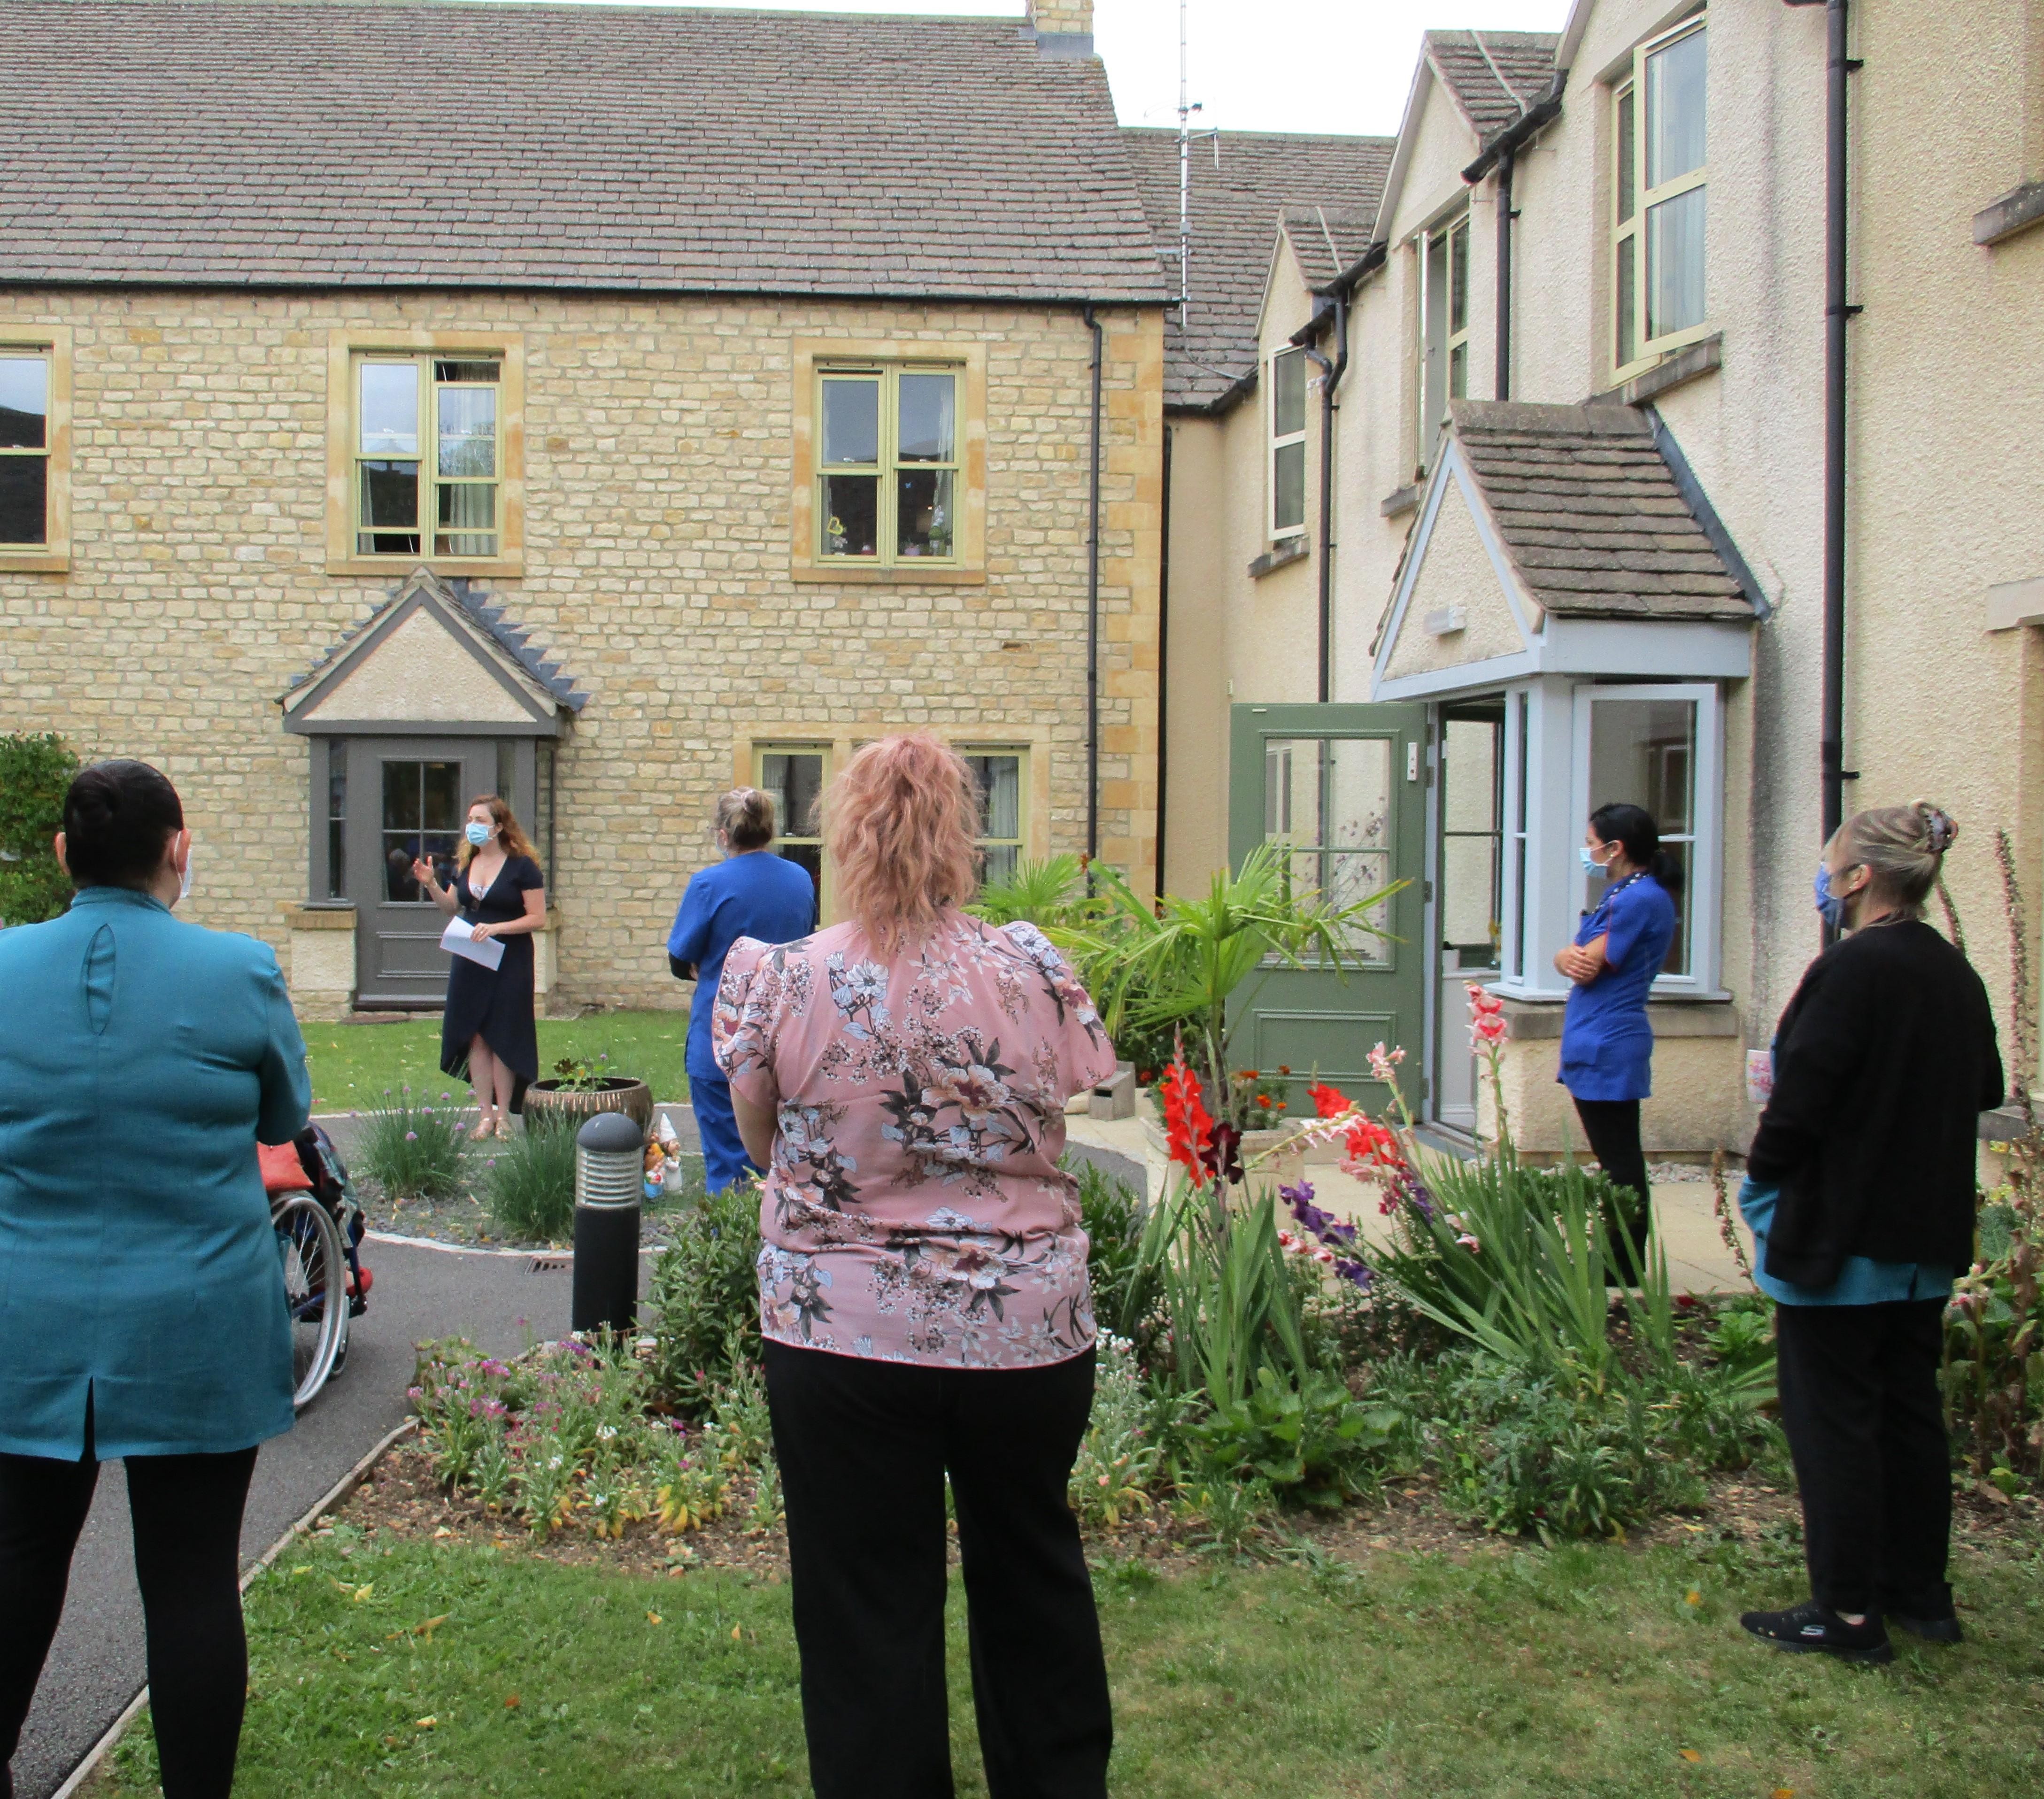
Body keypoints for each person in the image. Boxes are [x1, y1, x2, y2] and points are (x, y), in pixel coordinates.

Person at [713, 733, 1118, 1799]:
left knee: (864, 1617)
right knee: (1031, 1578)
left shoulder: (790, 977)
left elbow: (760, 1145)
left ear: (846, 836)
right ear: (960, 836)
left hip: (841, 1338)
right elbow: (1055, 1120)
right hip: (1024, 1336)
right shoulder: (1031, 969)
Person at [0, 761, 312, 1799]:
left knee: (17, 1565)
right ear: (178, 850)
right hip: (192, 1315)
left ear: (60, 856)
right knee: (188, 1584)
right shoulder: (238, 971)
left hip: (25, 1317)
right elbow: (280, 1120)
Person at [1736, 802, 2001, 1664]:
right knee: (1907, 1414)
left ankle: (1846, 1614)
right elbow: (1982, 1084)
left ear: (1858, 879)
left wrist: (1762, 1178)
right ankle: (1919, 1595)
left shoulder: (1850, 971)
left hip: (1840, 1238)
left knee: (1834, 1422)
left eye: (1830, 863)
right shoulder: (1953, 973)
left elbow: (1800, 1099)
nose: (1824, 878)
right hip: (1921, 1238)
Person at [665, 788, 815, 1191]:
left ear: (723, 834)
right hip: (786, 1033)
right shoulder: (800, 879)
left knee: (727, 1162)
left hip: (723, 1032)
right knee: (782, 1156)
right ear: (769, 830)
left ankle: (731, 1243)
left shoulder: (708, 884)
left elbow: (681, 959)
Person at [1553, 801, 1680, 1272]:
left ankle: (1622, 1263)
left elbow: (1586, 964)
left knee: (1620, 1161)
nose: (1587, 853)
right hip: (1598, 1036)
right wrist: (1564, 956)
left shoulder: (1638, 899)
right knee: (1614, 1158)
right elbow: (1572, 958)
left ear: (1616, 848)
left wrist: (1568, 956)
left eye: (1591, 845)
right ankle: (1617, 1255)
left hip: (1609, 1039)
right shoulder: (1624, 893)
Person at [413, 795, 545, 1139]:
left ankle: (504, 1115)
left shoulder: (523, 867)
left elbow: (538, 917)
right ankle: (484, 1115)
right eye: (471, 819)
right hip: (471, 958)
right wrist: (430, 883)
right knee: (475, 1034)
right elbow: (451, 907)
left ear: (499, 827)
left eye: (481, 820)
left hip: (509, 958)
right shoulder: (467, 864)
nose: (473, 825)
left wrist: (498, 928)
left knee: (502, 1032)